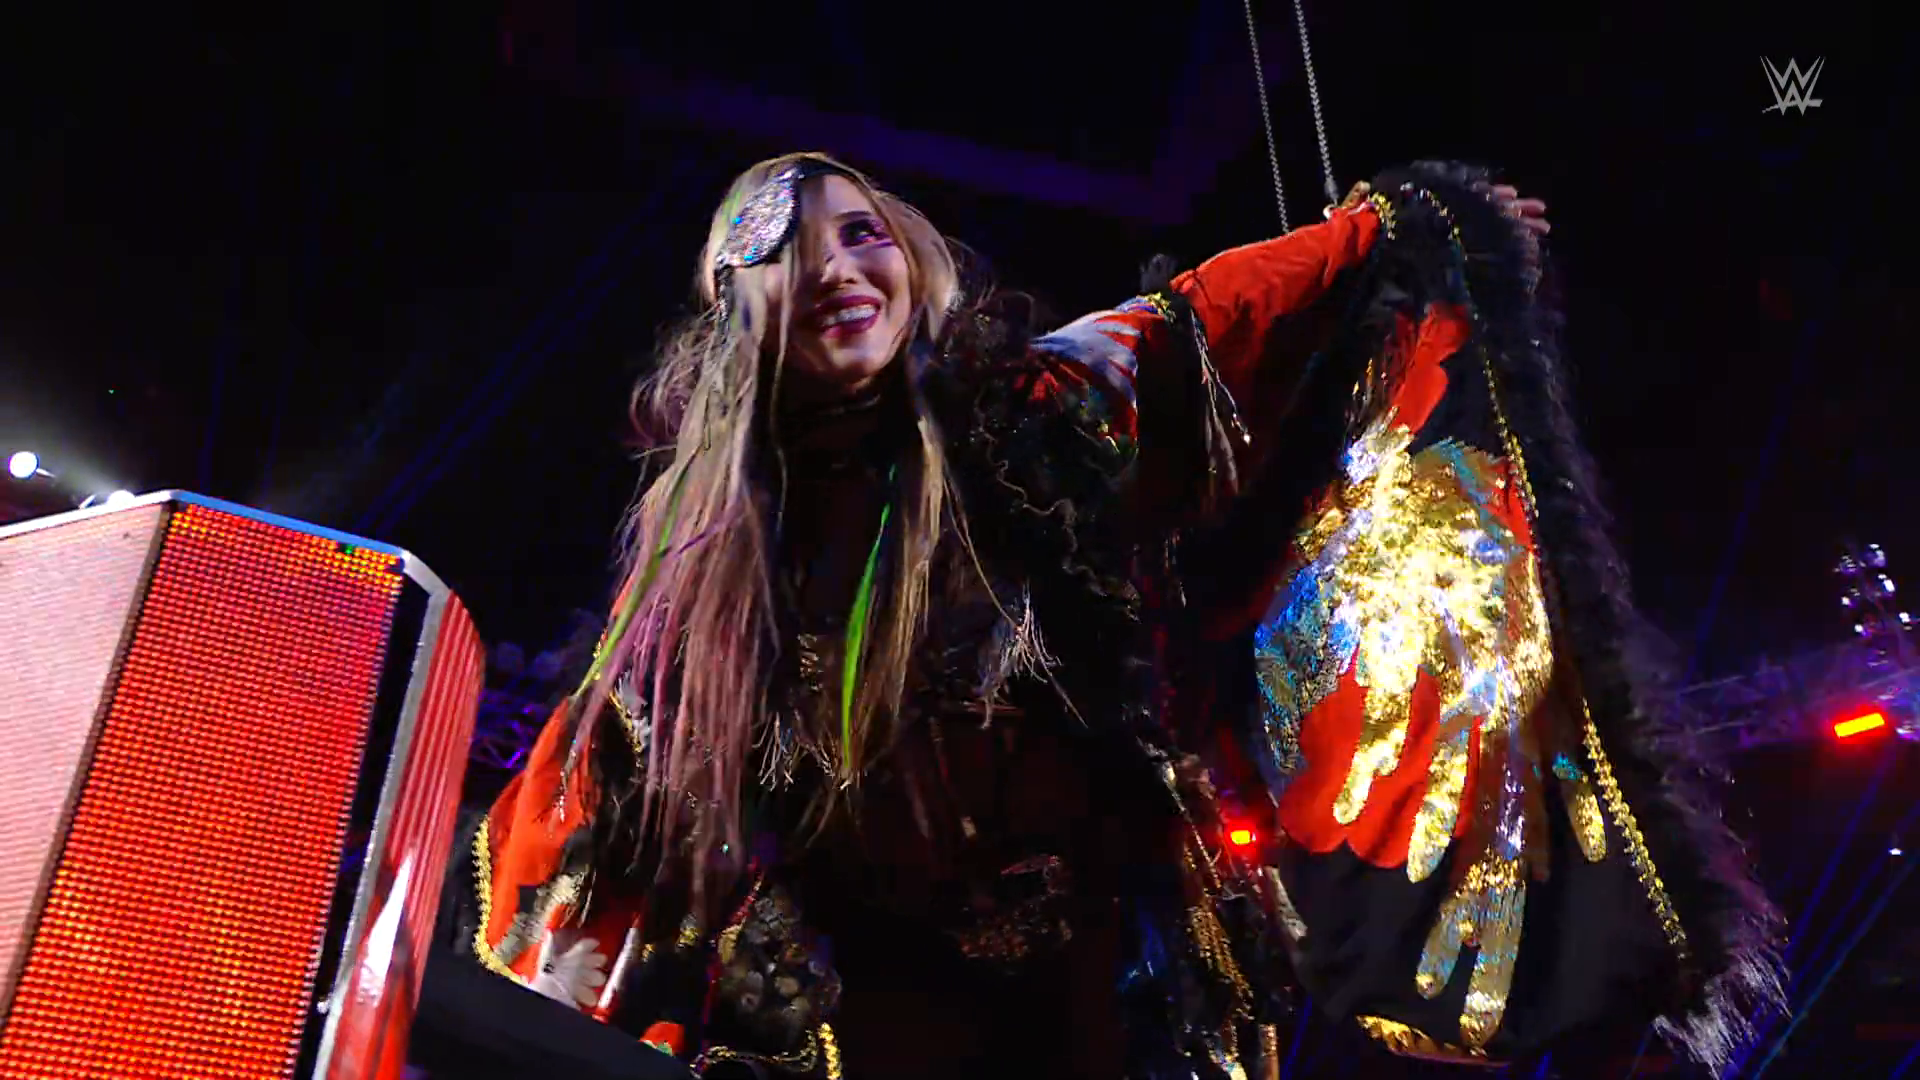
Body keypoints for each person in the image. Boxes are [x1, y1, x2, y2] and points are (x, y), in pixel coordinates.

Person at [443, 153, 1780, 1079]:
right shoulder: (707, 552)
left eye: (861, 232)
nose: (837, 265)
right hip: (861, 1000)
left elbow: (1214, 318)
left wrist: (1397, 234)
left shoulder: (1037, 408)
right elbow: (605, 772)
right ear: (742, 305)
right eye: (789, 250)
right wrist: (538, 997)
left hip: (1097, 967)